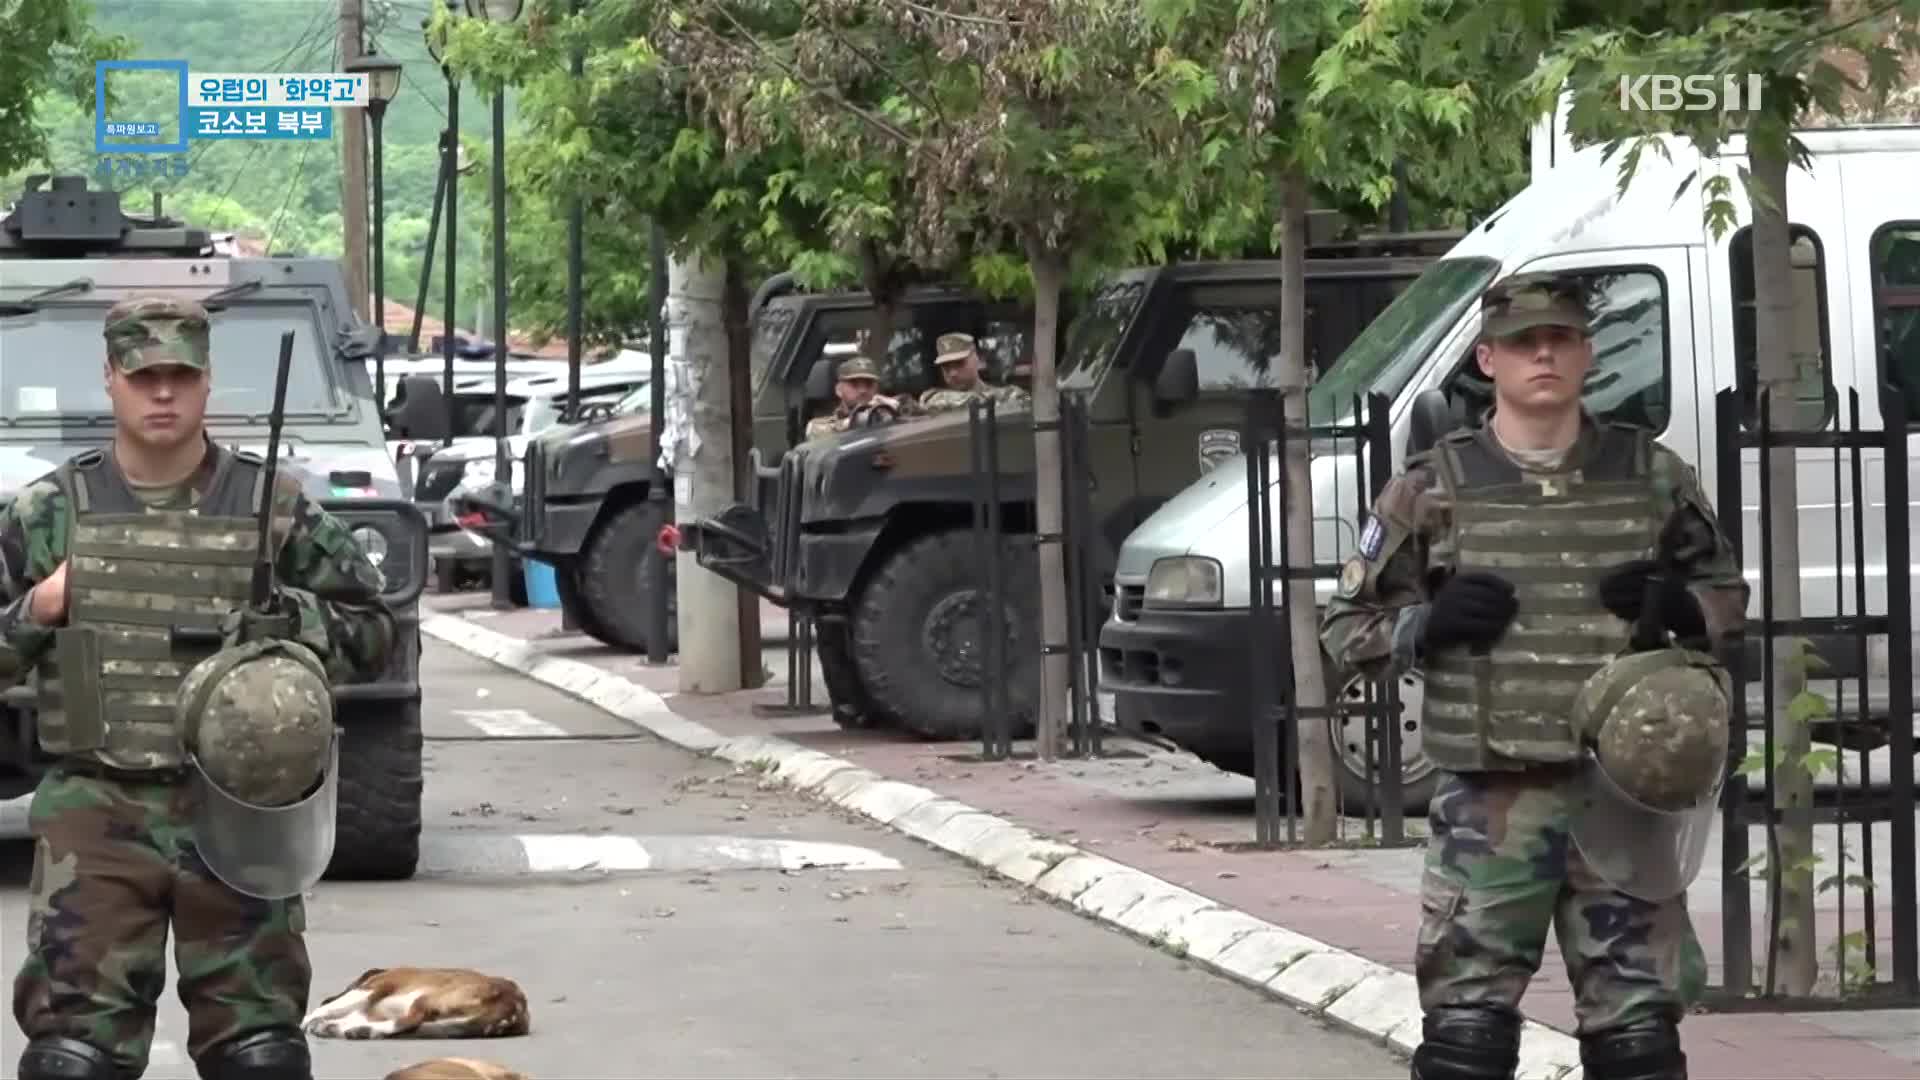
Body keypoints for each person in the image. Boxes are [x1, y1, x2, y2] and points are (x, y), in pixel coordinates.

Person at [1318, 272, 1749, 1080]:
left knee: (1640, 1043)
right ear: (1487, 359)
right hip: (1490, 804)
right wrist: (1423, 626)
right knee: (1465, 1040)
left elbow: (1729, 598)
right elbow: (1343, 627)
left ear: (1588, 355)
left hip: (1623, 797)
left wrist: (1683, 612)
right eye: (1522, 342)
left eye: (1560, 339)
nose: (1542, 354)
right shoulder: (1430, 488)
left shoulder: (1650, 477)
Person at [0, 294, 396, 1080]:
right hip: (97, 810)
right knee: (72, 1059)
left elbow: (375, 635)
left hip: (241, 814)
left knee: (262, 1057)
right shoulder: (49, 513)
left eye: (181, 375)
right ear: (110, 379)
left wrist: (288, 616)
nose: (163, 393)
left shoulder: (270, 507)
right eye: (144, 376)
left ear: (207, 382)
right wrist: (39, 608)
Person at [804, 355, 915, 439]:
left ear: (877, 388)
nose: (863, 390)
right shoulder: (820, 426)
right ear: (838, 390)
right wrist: (866, 418)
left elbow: (927, 419)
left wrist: (896, 409)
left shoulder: (889, 412)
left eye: (869, 384)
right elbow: (818, 432)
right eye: (854, 384)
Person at [918, 332, 1029, 413]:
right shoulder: (931, 399)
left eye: (959, 363)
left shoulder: (1011, 394)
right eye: (946, 367)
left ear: (979, 360)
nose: (952, 373)